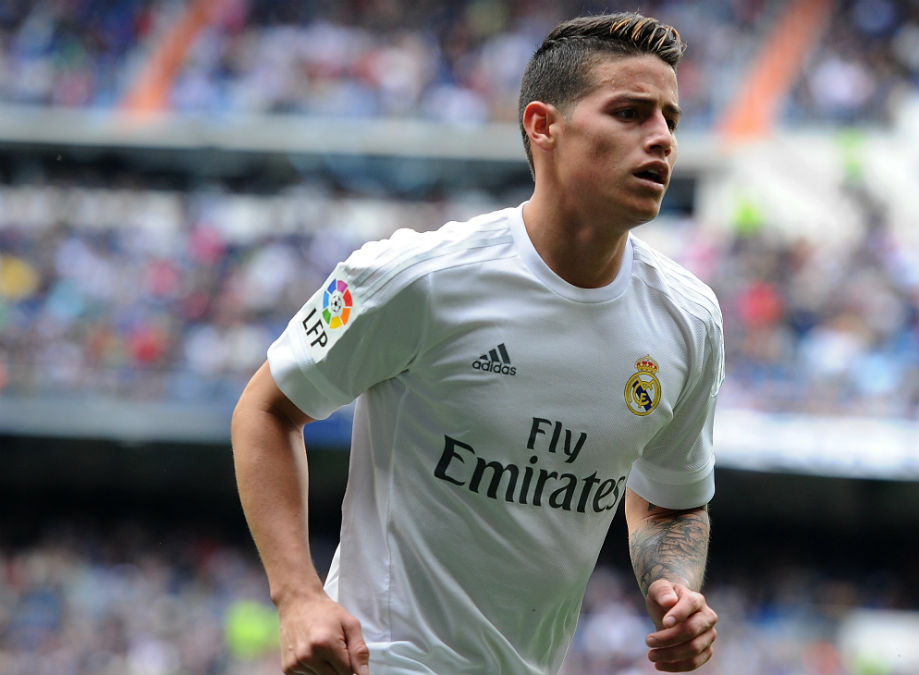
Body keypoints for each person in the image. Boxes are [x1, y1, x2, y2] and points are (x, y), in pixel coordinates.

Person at [231, 12, 724, 675]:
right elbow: (265, 409)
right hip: (383, 660)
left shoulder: (688, 320)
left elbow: (671, 497)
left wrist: (677, 588)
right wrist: (297, 596)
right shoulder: (417, 276)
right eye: (631, 113)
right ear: (543, 125)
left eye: (671, 118)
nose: (662, 138)